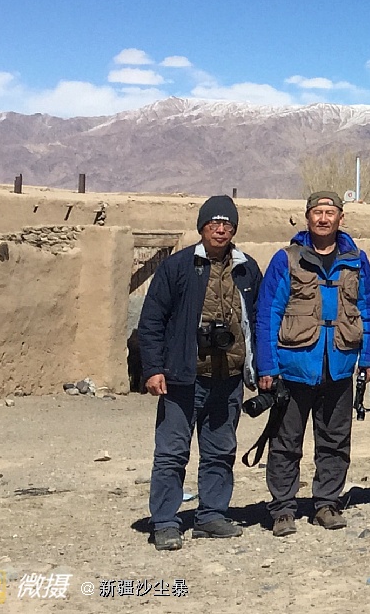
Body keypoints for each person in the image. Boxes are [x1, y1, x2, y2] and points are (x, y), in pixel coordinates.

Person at [137, 196, 262, 551]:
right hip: (182, 377)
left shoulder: (247, 268)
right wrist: (153, 369)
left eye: (227, 224)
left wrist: (262, 368)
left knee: (221, 450)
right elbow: (152, 321)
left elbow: (259, 319)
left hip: (229, 376)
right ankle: (165, 522)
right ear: (202, 227)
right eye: (213, 223)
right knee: (172, 453)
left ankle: (211, 515)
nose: (220, 230)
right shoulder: (178, 266)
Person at [255, 190, 370, 537]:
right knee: (285, 442)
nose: (323, 219)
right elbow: (268, 312)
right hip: (294, 367)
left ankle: (326, 503)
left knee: (335, 441)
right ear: (307, 217)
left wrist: (369, 356)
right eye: (317, 213)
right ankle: (283, 509)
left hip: (339, 364)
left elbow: (368, 309)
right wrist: (267, 366)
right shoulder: (287, 259)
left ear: (341, 218)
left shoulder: (356, 260)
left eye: (330, 212)